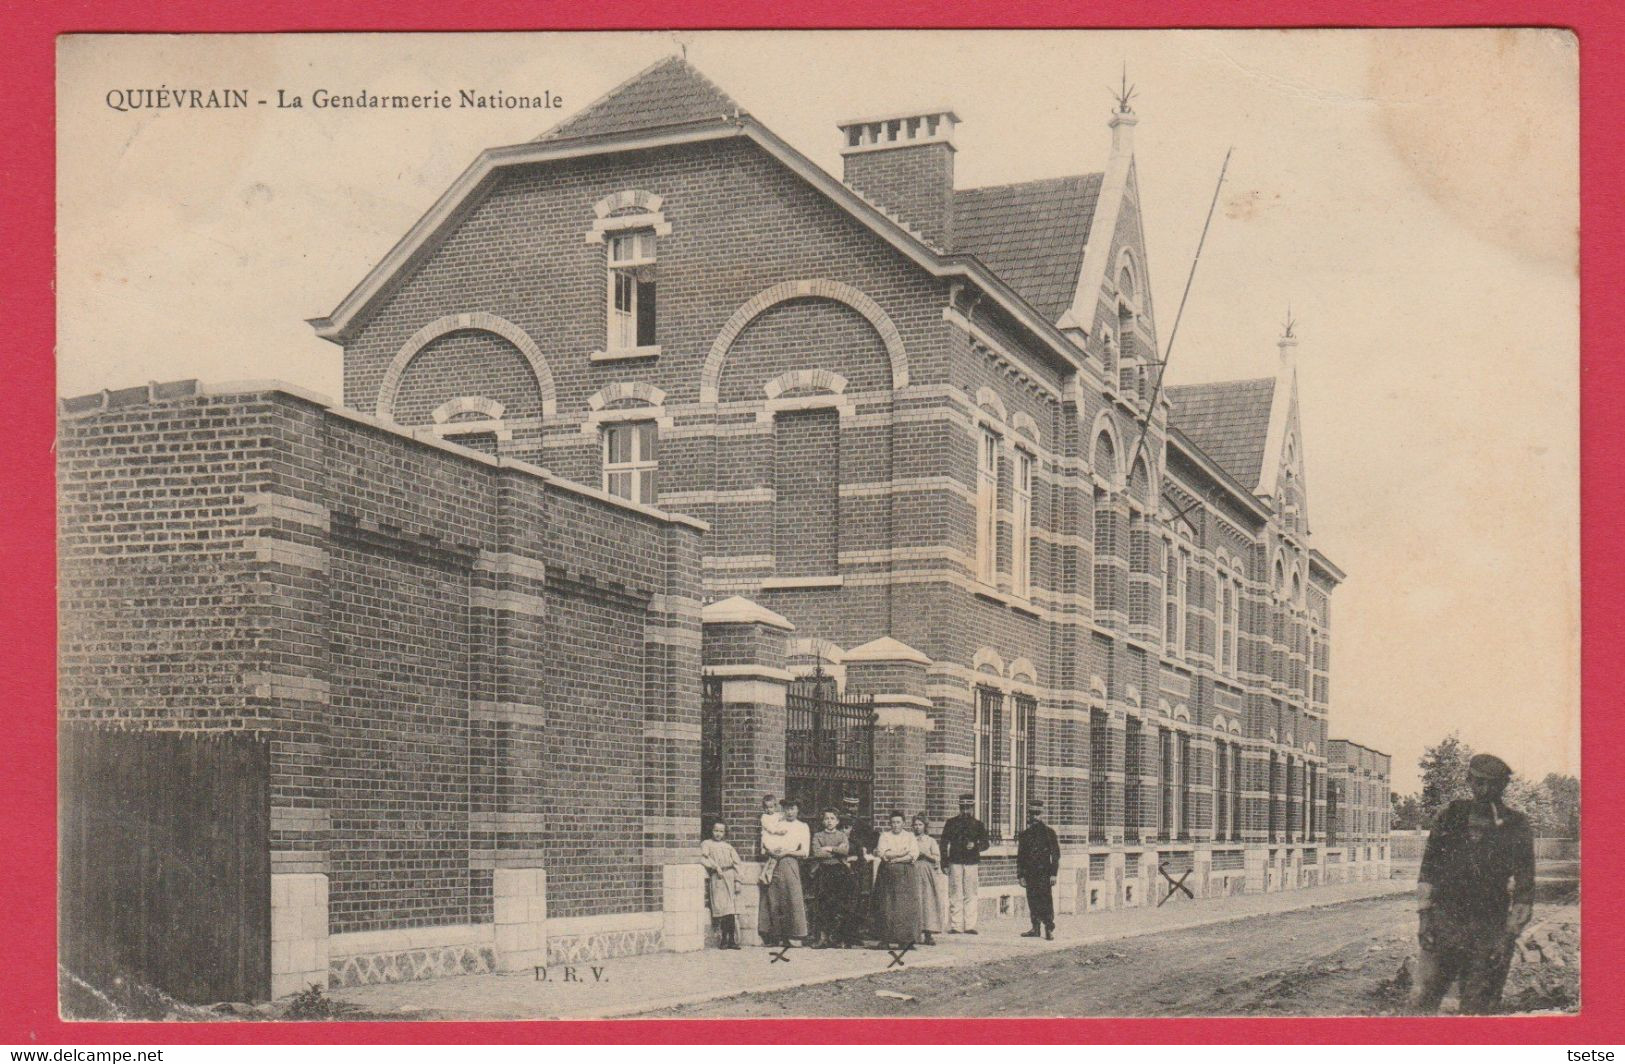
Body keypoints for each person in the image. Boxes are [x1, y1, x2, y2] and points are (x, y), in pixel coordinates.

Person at [1411, 753, 1536, 1014]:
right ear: (1469, 780)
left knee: (1479, 1007)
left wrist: (1507, 937)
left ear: (1504, 785)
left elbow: (1525, 889)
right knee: (1423, 999)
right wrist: (1425, 919)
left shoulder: (1516, 825)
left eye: (1494, 783)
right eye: (1479, 782)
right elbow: (1428, 870)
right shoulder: (1450, 816)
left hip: (1489, 928)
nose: (1485, 790)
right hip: (1444, 922)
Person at [758, 798, 810, 947]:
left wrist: (787, 852)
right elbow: (766, 840)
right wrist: (771, 850)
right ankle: (775, 935)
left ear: (797, 810)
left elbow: (804, 852)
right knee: (774, 899)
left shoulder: (802, 827)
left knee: (791, 897)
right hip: (774, 862)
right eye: (787, 808)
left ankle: (793, 935)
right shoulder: (777, 824)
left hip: (790, 862)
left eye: (792, 808)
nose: (790, 811)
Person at [940, 791, 990, 934]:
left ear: (973, 808)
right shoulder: (951, 823)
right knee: (955, 893)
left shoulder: (978, 825)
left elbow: (986, 843)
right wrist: (944, 862)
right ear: (959, 808)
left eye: (968, 808)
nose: (965, 811)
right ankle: (956, 925)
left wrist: (976, 846)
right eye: (962, 808)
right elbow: (943, 843)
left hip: (971, 862)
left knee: (971, 893)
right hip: (955, 861)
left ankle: (970, 925)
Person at [872, 811, 921, 950]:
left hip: (905, 874)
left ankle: (904, 940)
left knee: (904, 905)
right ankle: (885, 939)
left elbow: (913, 854)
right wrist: (901, 852)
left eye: (898, 822)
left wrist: (897, 857)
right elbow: (883, 853)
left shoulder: (910, 836)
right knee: (887, 904)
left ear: (903, 823)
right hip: (887, 873)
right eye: (893, 822)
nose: (895, 825)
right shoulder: (885, 836)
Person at [807, 808, 853, 948]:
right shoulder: (818, 836)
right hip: (823, 872)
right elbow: (817, 852)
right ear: (823, 821)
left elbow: (845, 850)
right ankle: (822, 938)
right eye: (827, 818)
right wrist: (836, 850)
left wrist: (829, 849)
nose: (829, 821)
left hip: (839, 873)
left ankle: (837, 938)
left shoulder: (842, 835)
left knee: (838, 905)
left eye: (832, 818)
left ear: (837, 821)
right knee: (822, 905)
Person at [1016, 800, 1060, 940]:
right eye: (1031, 814)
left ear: (1042, 815)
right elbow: (1021, 857)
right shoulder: (1024, 835)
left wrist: (1053, 874)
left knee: (1046, 900)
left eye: (1037, 814)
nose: (1034, 817)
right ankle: (1035, 928)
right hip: (1030, 873)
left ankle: (1048, 928)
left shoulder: (1049, 833)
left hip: (1044, 873)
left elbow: (1056, 855)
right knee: (1032, 899)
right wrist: (1021, 875)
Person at [698, 819, 743, 949]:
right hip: (718, 878)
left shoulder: (728, 847)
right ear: (711, 831)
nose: (718, 834)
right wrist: (715, 867)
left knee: (731, 909)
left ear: (725, 833)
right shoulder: (707, 844)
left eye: (721, 831)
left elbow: (737, 864)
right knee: (723, 909)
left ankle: (732, 940)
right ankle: (724, 938)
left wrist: (738, 881)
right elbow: (703, 858)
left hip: (729, 876)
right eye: (716, 830)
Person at [841, 794, 880, 945]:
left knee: (857, 901)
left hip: (857, 867)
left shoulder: (862, 824)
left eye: (853, 806)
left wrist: (865, 850)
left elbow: (872, 839)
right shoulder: (838, 822)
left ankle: (854, 933)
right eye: (848, 805)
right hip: (840, 867)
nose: (851, 809)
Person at [910, 814, 946, 945]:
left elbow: (937, 858)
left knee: (928, 901)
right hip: (912, 870)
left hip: (926, 872)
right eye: (915, 825)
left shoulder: (930, 841)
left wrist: (926, 855)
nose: (917, 827)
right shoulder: (909, 839)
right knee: (915, 900)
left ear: (925, 826)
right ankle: (914, 933)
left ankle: (928, 933)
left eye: (920, 825)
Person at [758, 793, 789, 885]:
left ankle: (764, 873)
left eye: (771, 807)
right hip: (768, 838)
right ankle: (768, 872)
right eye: (766, 807)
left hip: (774, 839)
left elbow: (783, 817)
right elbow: (770, 828)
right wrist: (778, 832)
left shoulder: (777, 815)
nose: (768, 810)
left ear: (775, 807)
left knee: (773, 857)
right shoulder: (764, 817)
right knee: (774, 854)